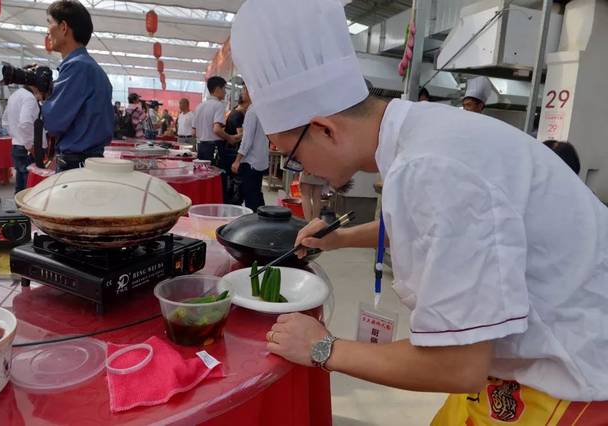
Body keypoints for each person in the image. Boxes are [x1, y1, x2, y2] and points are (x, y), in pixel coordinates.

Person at [231, 0, 608, 423]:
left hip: (576, 381)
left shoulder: (430, 168)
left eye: (294, 158)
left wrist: (323, 348)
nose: (301, 171)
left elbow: (458, 366)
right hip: (515, 373)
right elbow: (430, 230)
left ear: (324, 129)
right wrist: (339, 239)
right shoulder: (420, 131)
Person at [37, 0, 113, 171]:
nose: (47, 31)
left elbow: (54, 122)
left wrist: (42, 98)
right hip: (90, 161)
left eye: (49, 23)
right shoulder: (92, 68)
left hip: (76, 164)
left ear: (63, 27)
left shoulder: (77, 67)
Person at [192, 76, 239, 164]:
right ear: (217, 89)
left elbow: (193, 133)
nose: (225, 92)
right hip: (214, 148)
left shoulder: (199, 107)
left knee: (203, 174)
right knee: (215, 174)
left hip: (201, 147)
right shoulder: (218, 105)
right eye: (224, 88)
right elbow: (217, 129)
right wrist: (230, 138)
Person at [1, 86, 40, 193]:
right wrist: (29, 145)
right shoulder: (29, 97)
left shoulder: (14, 96)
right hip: (27, 146)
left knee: (20, 177)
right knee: (29, 181)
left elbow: (4, 121)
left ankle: (18, 205)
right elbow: (25, 122)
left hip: (16, 144)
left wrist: (15, 134)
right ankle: (26, 205)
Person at [231, 103, 268, 212]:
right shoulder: (262, 109)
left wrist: (237, 160)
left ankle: (256, 222)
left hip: (250, 162)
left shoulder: (252, 112)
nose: (242, 93)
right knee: (256, 193)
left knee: (251, 196)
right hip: (259, 160)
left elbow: (247, 140)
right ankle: (264, 219)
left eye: (243, 90)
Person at [222, 86, 251, 204]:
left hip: (230, 152)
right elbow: (240, 135)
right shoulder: (238, 115)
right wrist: (249, 130)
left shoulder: (235, 112)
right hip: (233, 153)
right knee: (236, 185)